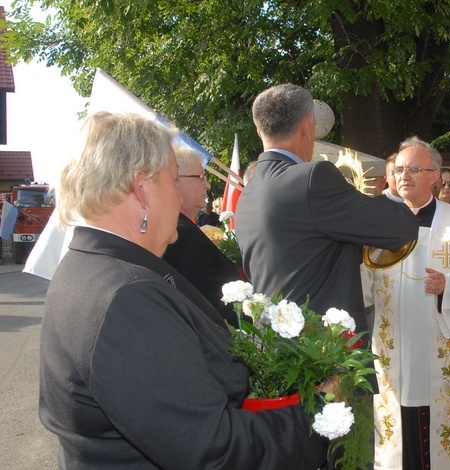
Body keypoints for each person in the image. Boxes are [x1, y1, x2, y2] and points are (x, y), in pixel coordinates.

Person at [39, 112, 329, 468]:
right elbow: (215, 450)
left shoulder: (85, 267)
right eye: (173, 180)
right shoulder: (127, 298)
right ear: (142, 189)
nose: (180, 199)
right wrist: (319, 413)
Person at [234, 84, 418, 336]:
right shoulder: (312, 177)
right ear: (307, 127)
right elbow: (400, 228)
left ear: (259, 130)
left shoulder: (249, 191)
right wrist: (397, 190)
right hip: (321, 353)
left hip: (275, 348)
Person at [362, 136, 450, 469]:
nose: (403, 176)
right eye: (398, 170)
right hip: (397, 345)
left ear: (435, 175)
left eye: (413, 169)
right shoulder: (376, 223)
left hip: (447, 342)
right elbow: (362, 282)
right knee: (399, 417)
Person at [162, 146, 240, 325]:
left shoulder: (181, 228)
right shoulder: (181, 235)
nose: (208, 184)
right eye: (201, 177)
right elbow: (206, 304)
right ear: (175, 180)